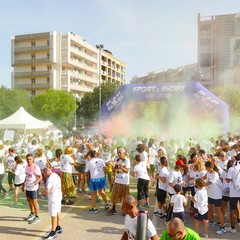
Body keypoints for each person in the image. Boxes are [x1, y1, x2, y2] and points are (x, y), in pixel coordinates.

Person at [204, 160, 226, 234]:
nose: (207, 169)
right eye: (206, 168)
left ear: (211, 167)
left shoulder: (215, 174)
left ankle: (223, 227)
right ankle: (211, 222)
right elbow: (203, 178)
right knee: (209, 208)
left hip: (217, 195)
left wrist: (200, 185)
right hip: (210, 194)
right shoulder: (207, 172)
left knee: (218, 210)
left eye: (207, 168)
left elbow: (208, 183)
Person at [107, 147, 131, 215]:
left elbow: (127, 171)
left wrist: (121, 167)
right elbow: (115, 169)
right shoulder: (117, 160)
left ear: (124, 153)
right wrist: (112, 166)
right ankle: (113, 208)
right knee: (114, 195)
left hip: (124, 182)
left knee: (125, 197)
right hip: (117, 181)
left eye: (120, 153)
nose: (119, 154)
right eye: (118, 152)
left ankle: (125, 210)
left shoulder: (127, 160)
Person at [42, 167, 63, 239]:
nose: (44, 176)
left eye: (44, 174)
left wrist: (43, 192)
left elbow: (47, 191)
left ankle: (53, 232)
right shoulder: (56, 175)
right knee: (58, 211)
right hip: (59, 196)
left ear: (46, 172)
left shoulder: (49, 180)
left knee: (53, 215)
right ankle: (58, 227)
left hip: (53, 198)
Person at [24, 153, 42, 224]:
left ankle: (37, 217)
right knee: (29, 200)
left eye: (30, 159)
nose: (29, 161)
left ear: (33, 159)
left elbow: (40, 177)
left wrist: (35, 183)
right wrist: (24, 185)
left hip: (33, 188)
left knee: (34, 202)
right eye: (27, 159)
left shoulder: (36, 167)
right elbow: (26, 176)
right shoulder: (26, 167)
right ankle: (32, 213)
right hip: (27, 187)